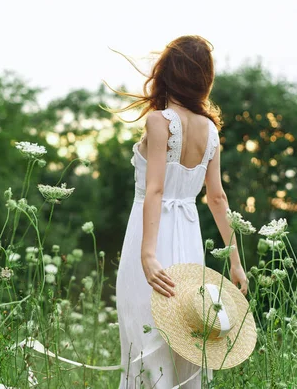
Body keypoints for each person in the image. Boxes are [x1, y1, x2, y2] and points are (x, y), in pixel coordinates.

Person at [110, 35, 249, 388]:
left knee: (145, 337)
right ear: (203, 79)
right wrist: (235, 261)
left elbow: (155, 188)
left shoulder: (160, 122)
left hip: (151, 235)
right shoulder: (211, 131)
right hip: (188, 241)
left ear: (168, 72)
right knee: (187, 337)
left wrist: (147, 254)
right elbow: (217, 199)